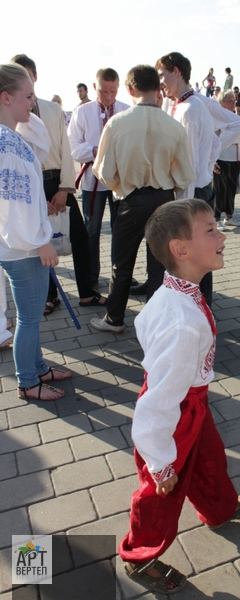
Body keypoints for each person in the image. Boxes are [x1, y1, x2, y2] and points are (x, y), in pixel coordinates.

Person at [118, 199, 240, 594]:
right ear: (180, 249)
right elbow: (157, 403)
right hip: (176, 409)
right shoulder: (182, 323)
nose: (222, 236)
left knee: (209, 459)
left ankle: (219, 508)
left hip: (191, 401)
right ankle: (139, 555)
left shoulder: (175, 293)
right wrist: (160, 461)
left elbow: (147, 325)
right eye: (210, 230)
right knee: (161, 490)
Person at [89, 65, 194, 334]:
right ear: (158, 89)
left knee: (121, 264)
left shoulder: (116, 123)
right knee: (159, 266)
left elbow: (104, 172)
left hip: (131, 200)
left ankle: (114, 319)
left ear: (130, 89)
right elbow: (184, 175)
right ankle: (156, 323)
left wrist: (119, 184)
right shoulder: (173, 126)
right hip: (164, 199)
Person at [11, 54, 106, 315]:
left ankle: (86, 292)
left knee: (78, 235)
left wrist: (64, 189)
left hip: (56, 181)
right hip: (29, 188)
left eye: (28, 75)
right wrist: (37, 199)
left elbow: (65, 150)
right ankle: (49, 296)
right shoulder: (8, 114)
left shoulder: (52, 109)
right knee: (41, 241)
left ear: (35, 77)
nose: (25, 80)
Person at [0, 63, 72, 400]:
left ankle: (38, 368)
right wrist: (41, 241)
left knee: (31, 317)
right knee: (29, 319)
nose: (33, 103)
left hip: (20, 244)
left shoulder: (11, 137)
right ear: (5, 98)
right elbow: (17, 208)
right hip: (23, 247)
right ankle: (27, 381)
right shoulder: (7, 144)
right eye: (27, 96)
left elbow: (40, 146)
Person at [156, 51, 218, 307]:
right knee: (196, 256)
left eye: (162, 74)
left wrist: (183, 206)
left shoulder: (190, 110)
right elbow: (213, 145)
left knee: (194, 257)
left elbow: (188, 165)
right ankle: (199, 307)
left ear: (177, 72)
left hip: (192, 194)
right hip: (197, 190)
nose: (160, 81)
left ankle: (199, 310)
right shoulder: (184, 105)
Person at [68, 68, 130, 285]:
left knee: (120, 231)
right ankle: (91, 275)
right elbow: (73, 146)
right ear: (95, 87)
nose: (109, 96)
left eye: (113, 91)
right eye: (104, 91)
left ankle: (120, 276)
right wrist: (96, 151)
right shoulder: (82, 112)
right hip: (92, 182)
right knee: (91, 231)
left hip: (120, 183)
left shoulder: (126, 111)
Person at [213, 89, 240, 230]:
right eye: (230, 101)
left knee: (232, 188)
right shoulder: (217, 118)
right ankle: (215, 218)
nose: (233, 104)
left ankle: (229, 216)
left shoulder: (234, 117)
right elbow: (213, 138)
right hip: (222, 156)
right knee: (220, 188)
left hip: (235, 156)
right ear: (221, 102)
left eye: (234, 101)